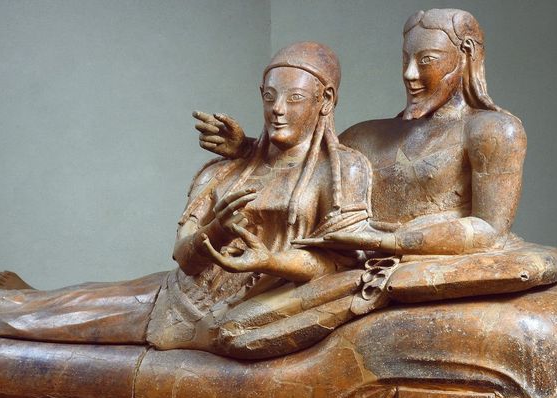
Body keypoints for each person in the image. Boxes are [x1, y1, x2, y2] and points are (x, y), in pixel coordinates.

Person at [0, 42, 375, 358]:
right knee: (73, 303)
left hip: (224, 313)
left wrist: (274, 259)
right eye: (269, 96)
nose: (277, 109)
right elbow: (182, 257)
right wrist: (214, 234)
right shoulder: (226, 169)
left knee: (69, 312)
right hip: (181, 294)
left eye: (293, 98)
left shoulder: (345, 169)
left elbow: (344, 266)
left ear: (325, 102)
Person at [196, 8, 526, 257]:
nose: (410, 74)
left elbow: (490, 228)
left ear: (465, 55)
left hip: (416, 261)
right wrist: (247, 149)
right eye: (405, 59)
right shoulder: (366, 138)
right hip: (347, 261)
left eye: (426, 60)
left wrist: (391, 241)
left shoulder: (493, 131)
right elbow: (307, 167)